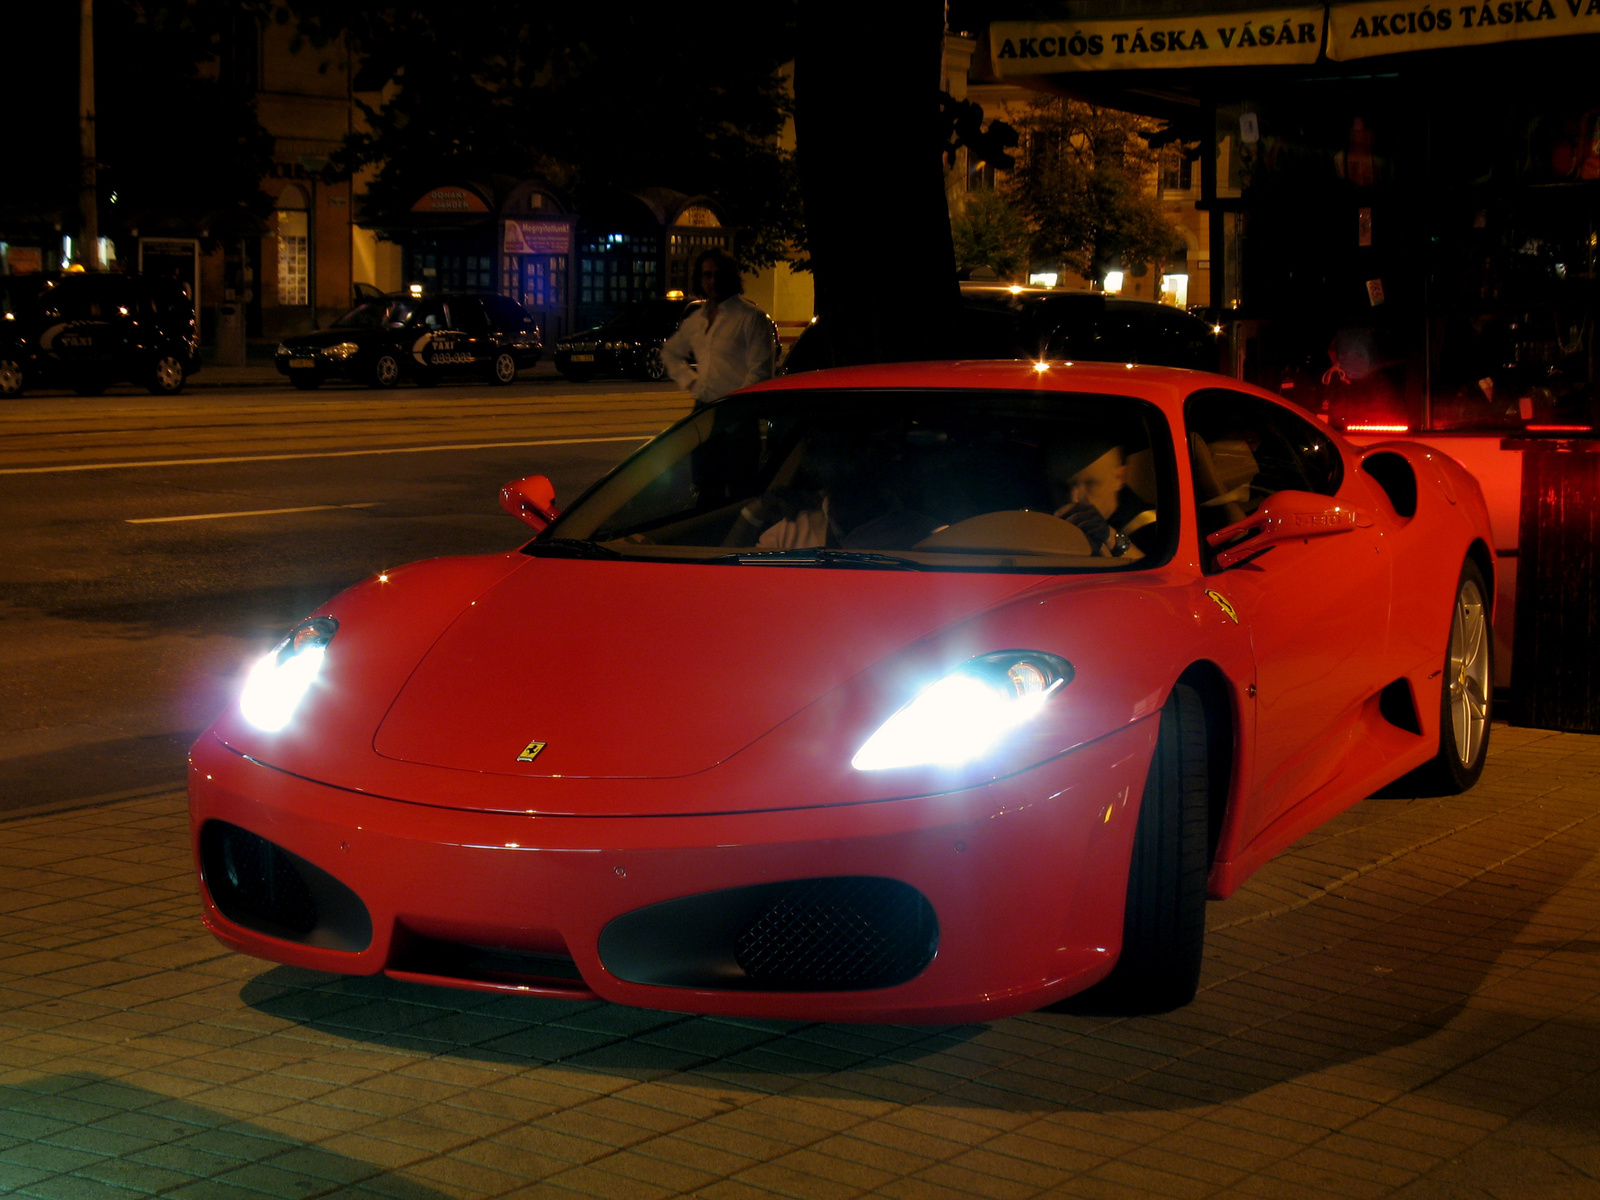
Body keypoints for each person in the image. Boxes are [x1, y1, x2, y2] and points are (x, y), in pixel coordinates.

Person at [662, 249, 776, 407]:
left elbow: (761, 373)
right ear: (700, 279)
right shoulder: (698, 319)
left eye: (719, 274)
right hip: (703, 407)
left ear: (731, 277)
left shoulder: (751, 318)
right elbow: (670, 352)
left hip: (736, 412)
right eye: (707, 275)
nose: (713, 281)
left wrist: (735, 405)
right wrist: (690, 381)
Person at [1048, 439, 1158, 559]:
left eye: (1091, 484)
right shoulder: (1044, 523)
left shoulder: (1155, 530)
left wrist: (1113, 539)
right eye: (1064, 487)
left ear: (1119, 477)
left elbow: (1159, 573)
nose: (1075, 499)